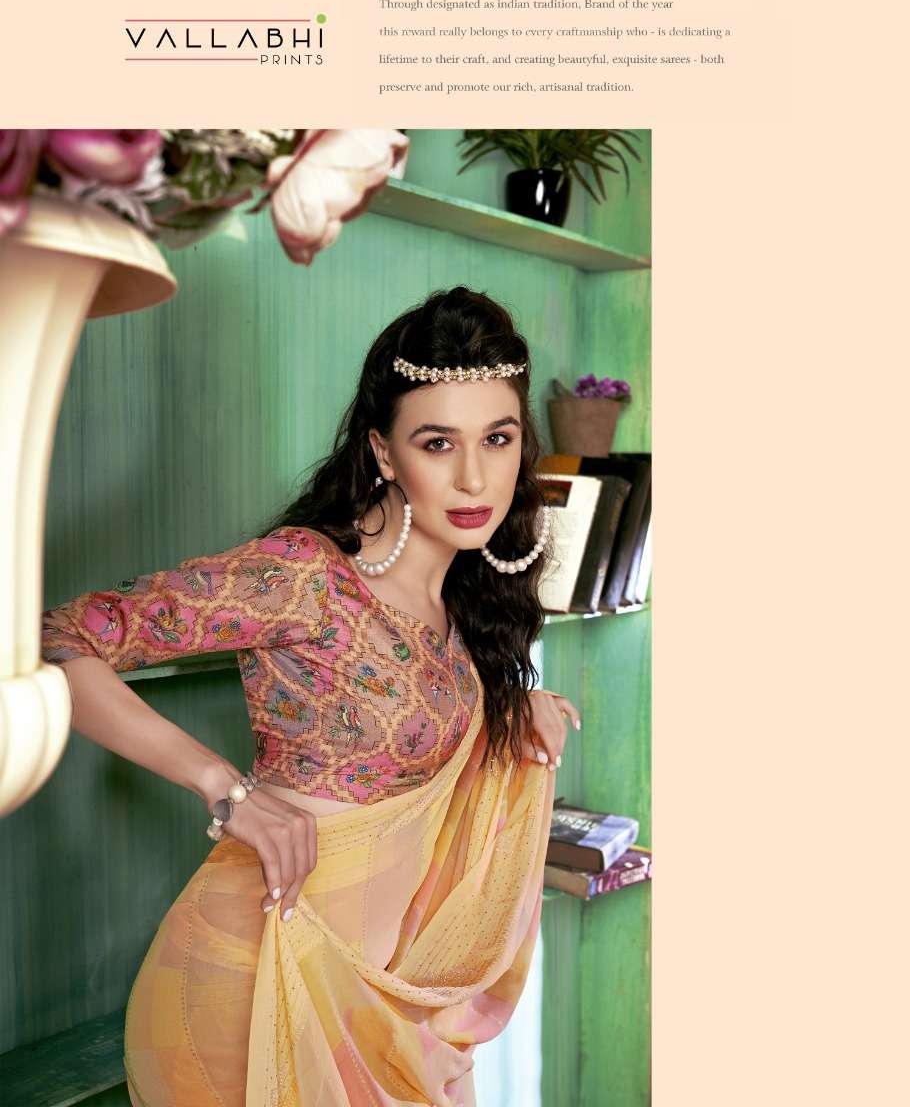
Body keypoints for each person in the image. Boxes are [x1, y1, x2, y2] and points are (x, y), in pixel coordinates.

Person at [40, 285, 580, 1107]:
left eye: (497, 439)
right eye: (438, 442)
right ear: (384, 453)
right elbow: (58, 639)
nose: (474, 475)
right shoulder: (304, 575)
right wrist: (224, 788)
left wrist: (507, 716)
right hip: (250, 990)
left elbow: (426, 762)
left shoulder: (461, 602)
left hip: (370, 997)